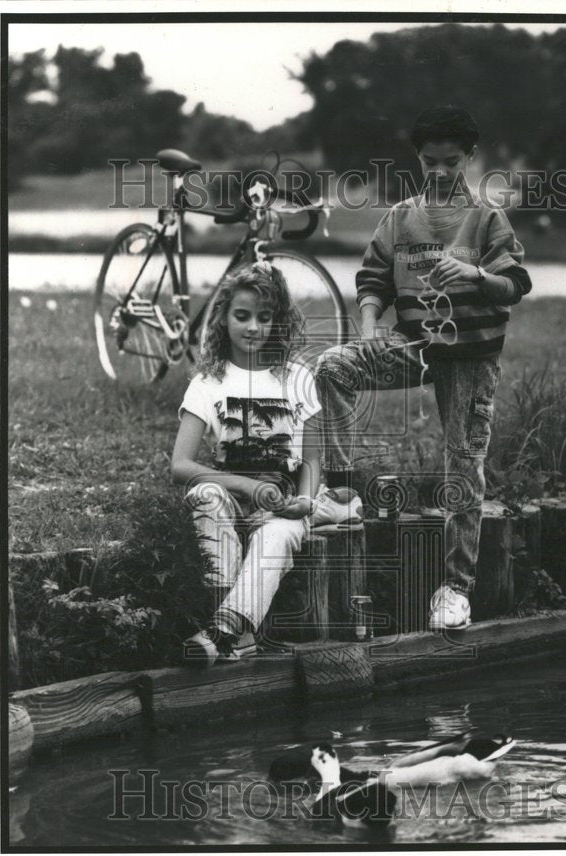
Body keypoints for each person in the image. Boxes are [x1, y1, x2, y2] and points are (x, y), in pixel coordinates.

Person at [315, 106, 532, 631]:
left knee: (462, 464)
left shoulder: (486, 218)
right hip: (415, 346)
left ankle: (456, 588)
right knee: (332, 366)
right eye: (430, 161)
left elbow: (516, 285)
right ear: (418, 157)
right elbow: (372, 280)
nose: (439, 171)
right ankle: (343, 493)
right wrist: (368, 324)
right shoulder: (400, 218)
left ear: (470, 158)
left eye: (450, 162)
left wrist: (475, 272)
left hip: (471, 358)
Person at [171, 263, 359, 668]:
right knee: (204, 494)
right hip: (234, 499)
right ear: (223, 317)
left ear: (279, 322)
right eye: (242, 316)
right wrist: (246, 486)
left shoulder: (297, 377)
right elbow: (181, 466)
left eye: (264, 317)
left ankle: (223, 633)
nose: (253, 327)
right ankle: (238, 636)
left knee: (278, 535)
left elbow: (311, 460)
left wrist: (307, 502)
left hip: (285, 500)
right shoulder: (208, 381)